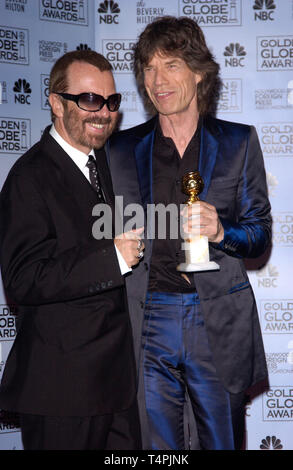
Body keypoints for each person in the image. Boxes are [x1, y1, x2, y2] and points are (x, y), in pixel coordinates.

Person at [108, 16, 271, 450]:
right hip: (148, 318)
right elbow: (100, 228)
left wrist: (222, 230)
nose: (157, 81)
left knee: (221, 441)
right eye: (148, 68)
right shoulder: (120, 150)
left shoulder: (238, 142)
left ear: (199, 72)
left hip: (214, 316)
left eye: (171, 65)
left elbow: (259, 235)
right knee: (157, 448)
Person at [0, 50, 144, 450]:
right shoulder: (29, 178)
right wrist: (111, 258)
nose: (103, 112)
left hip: (118, 387)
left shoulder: (111, 168)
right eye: (89, 100)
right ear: (56, 102)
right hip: (62, 391)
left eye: (111, 101)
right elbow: (24, 279)